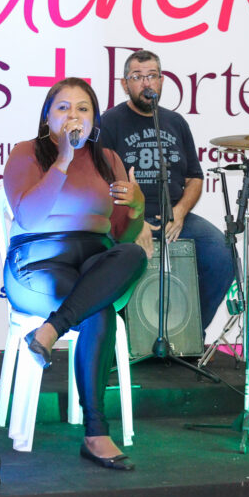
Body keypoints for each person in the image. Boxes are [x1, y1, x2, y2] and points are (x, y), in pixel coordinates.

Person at [3, 77, 147, 470]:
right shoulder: (26, 153)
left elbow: (122, 235)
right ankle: (97, 433)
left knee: (133, 254)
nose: (73, 115)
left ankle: (51, 329)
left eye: (83, 108)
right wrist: (63, 160)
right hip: (36, 261)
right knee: (98, 310)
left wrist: (137, 207)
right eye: (63, 107)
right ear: (47, 117)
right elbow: (29, 215)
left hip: (92, 261)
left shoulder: (108, 159)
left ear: (94, 118)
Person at [99, 49, 234, 333]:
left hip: (173, 217)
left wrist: (181, 212)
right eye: (137, 77)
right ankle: (123, 339)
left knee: (222, 255)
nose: (146, 83)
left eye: (152, 76)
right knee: (111, 263)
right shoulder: (109, 122)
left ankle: (189, 334)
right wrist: (134, 222)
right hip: (125, 218)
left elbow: (194, 178)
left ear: (161, 81)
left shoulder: (176, 122)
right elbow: (100, 183)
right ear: (124, 84)